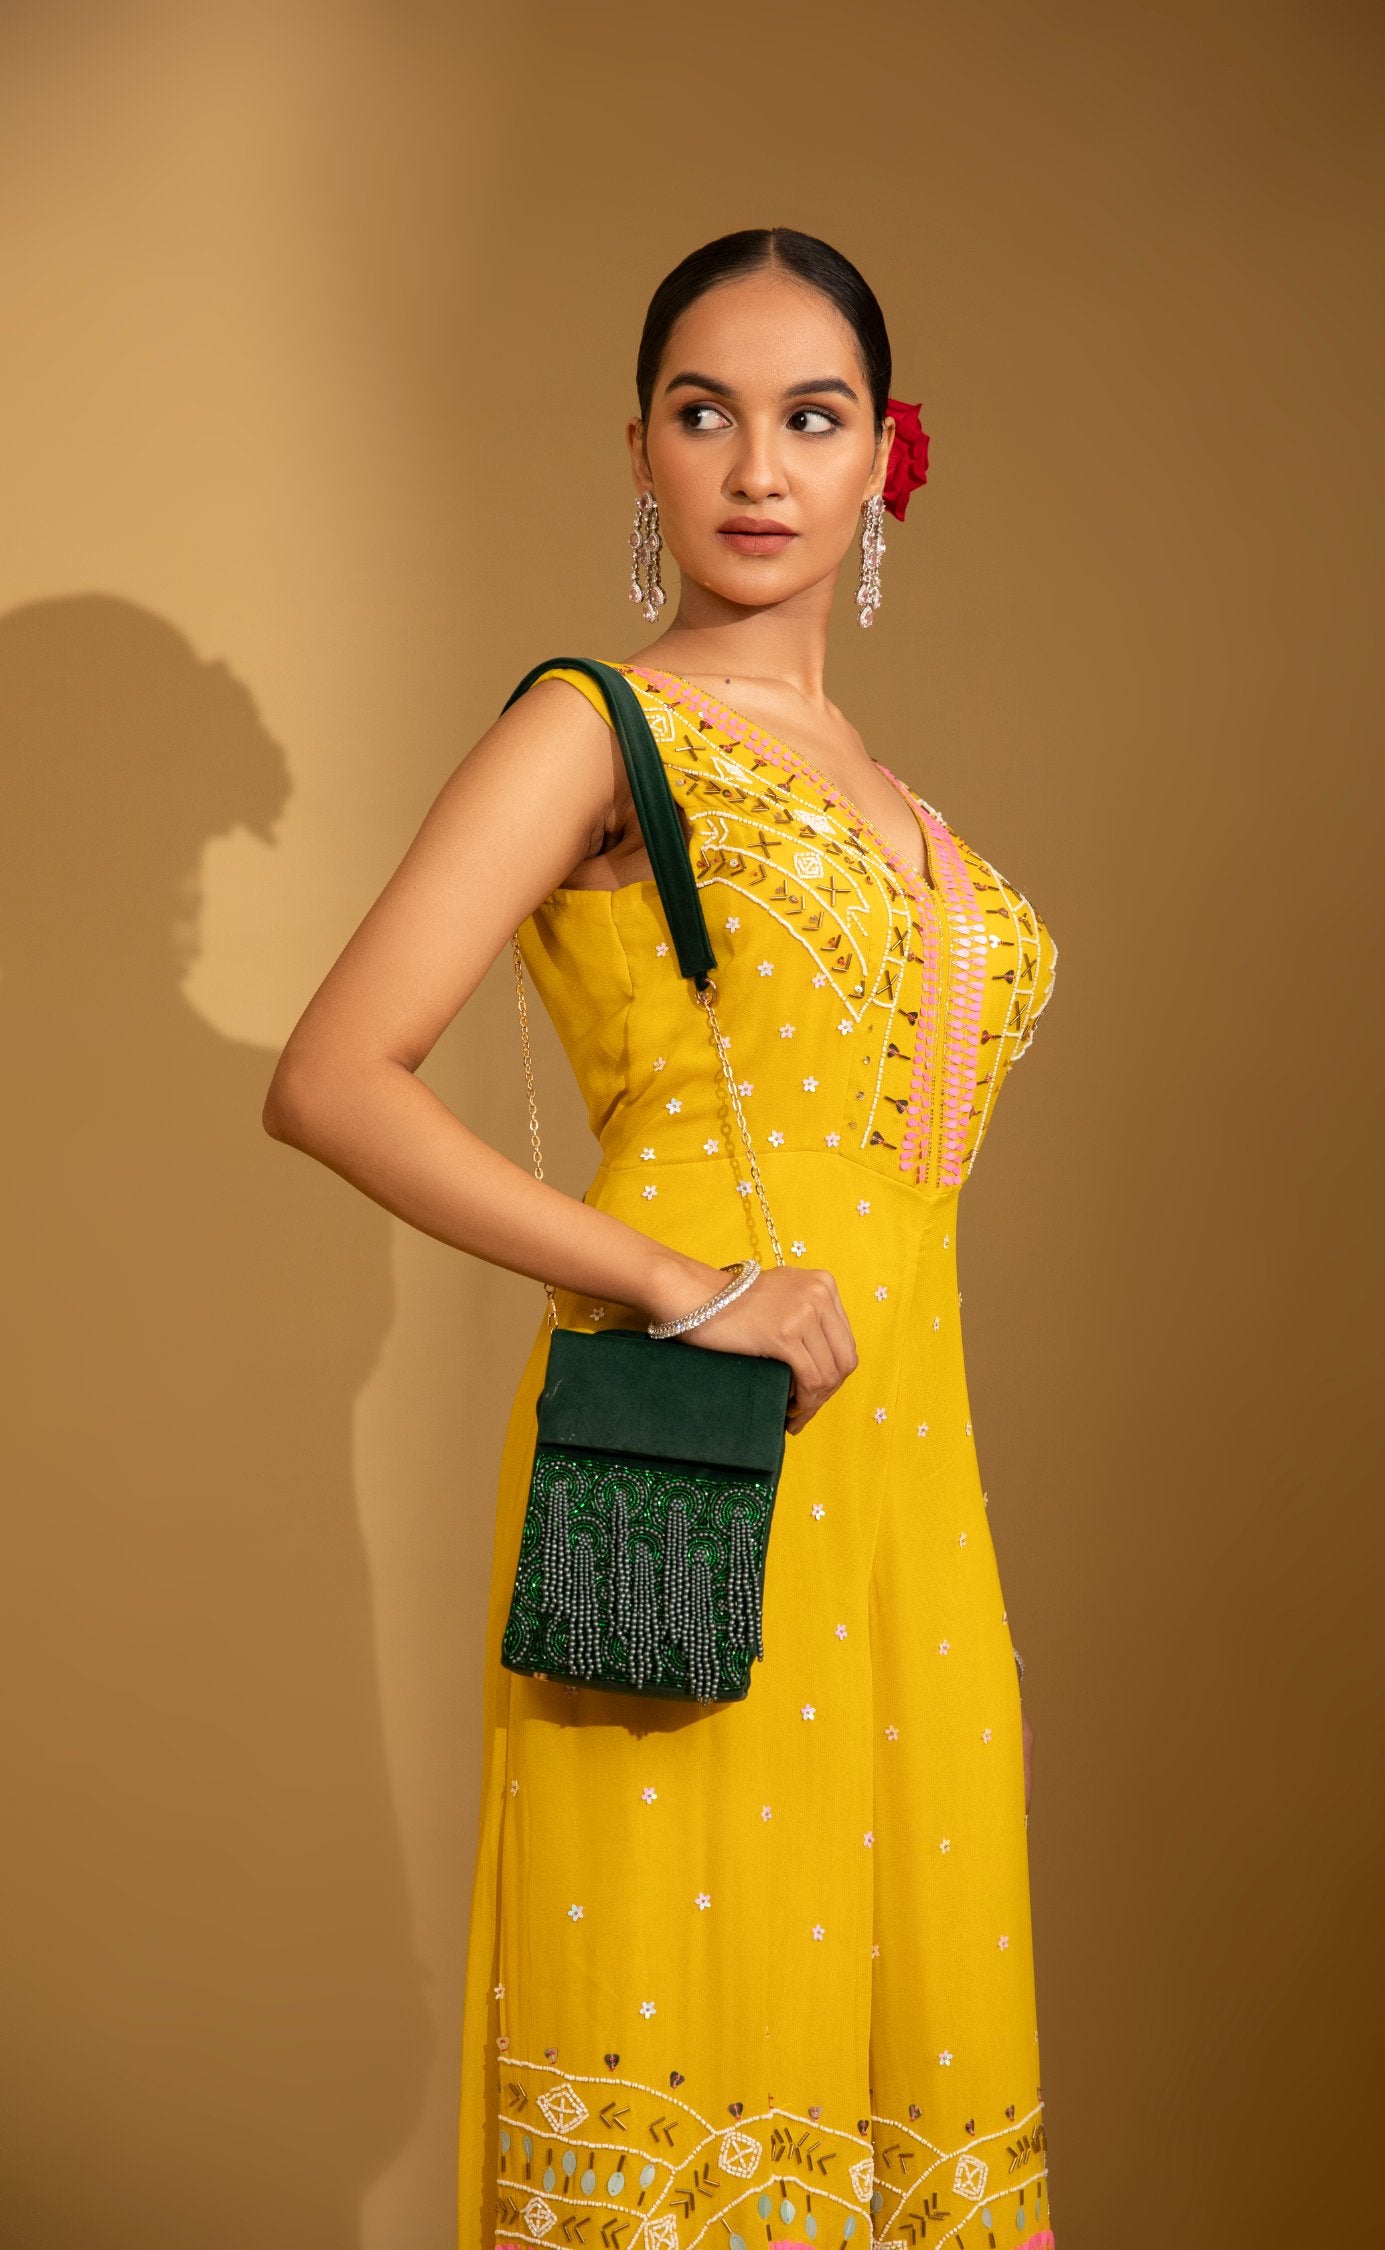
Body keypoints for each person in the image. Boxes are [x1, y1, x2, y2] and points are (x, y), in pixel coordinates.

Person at [262, 225, 1060, 2250]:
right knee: (687, 2066)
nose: (759, 468)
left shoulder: (898, 804)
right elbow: (335, 1074)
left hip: (909, 1497)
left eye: (813, 418)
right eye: (706, 415)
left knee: (896, 2073)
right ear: (640, 450)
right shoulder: (597, 727)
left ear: (887, 454)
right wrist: (684, 1289)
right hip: (694, 1463)